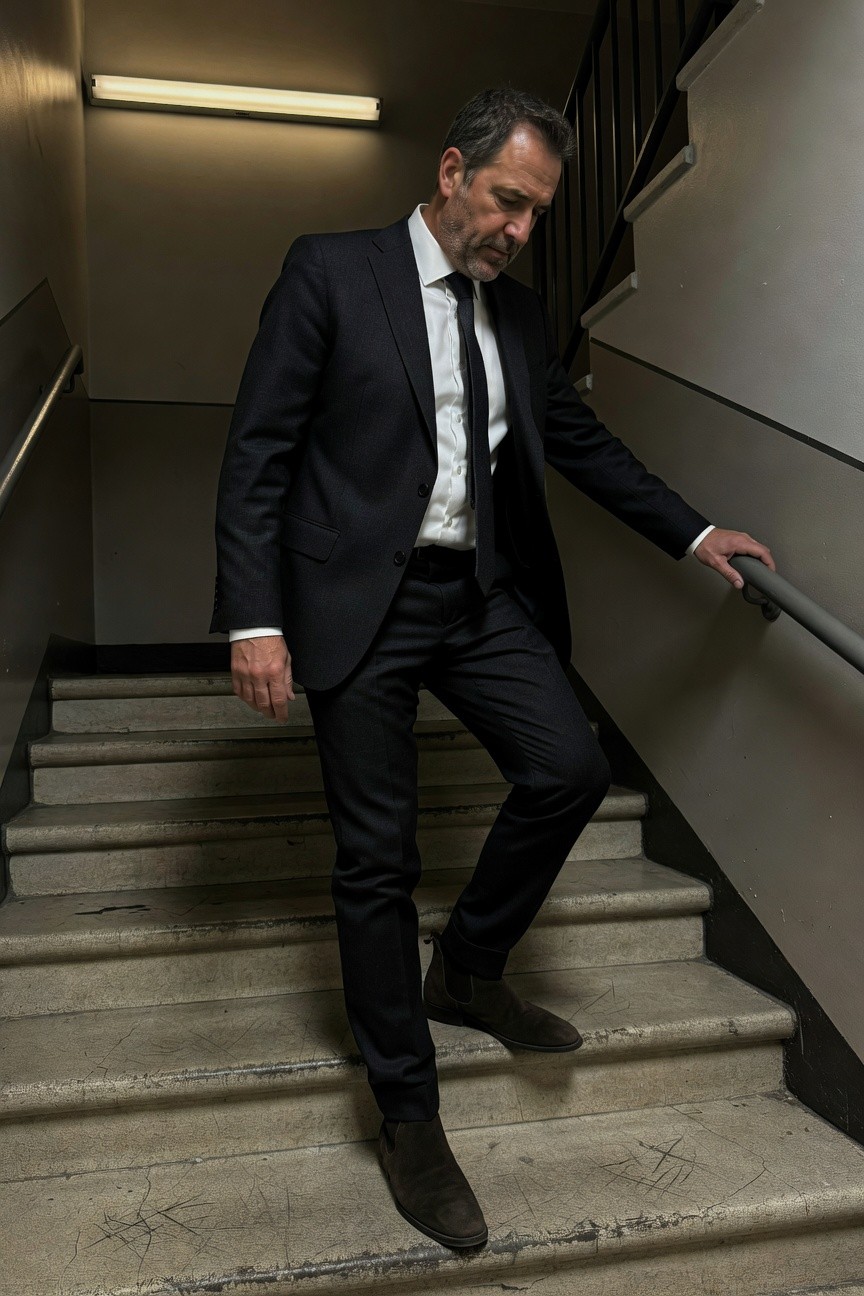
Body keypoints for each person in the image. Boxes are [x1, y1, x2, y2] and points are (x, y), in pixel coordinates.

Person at [210, 87, 774, 1250]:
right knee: (377, 860)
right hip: (352, 602)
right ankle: (408, 1118)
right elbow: (258, 449)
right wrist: (252, 619)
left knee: (568, 769)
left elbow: (579, 444)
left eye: (537, 212)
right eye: (508, 199)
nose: (518, 228)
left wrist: (697, 530)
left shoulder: (516, 317)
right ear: (453, 172)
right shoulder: (331, 271)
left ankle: (467, 967)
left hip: (475, 597)